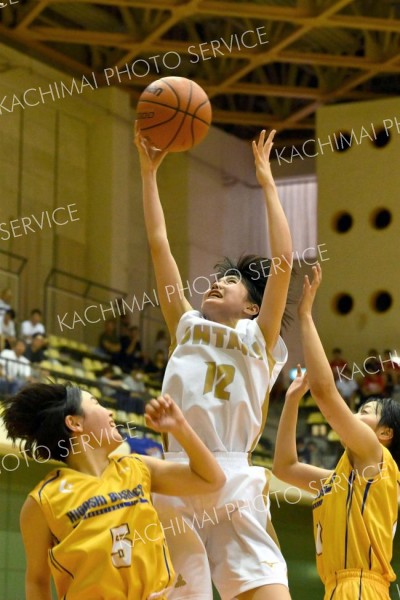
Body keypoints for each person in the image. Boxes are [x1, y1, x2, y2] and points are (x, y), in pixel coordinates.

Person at [136, 127, 292, 600]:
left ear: (251, 306)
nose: (219, 283)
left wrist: (266, 181)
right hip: (176, 476)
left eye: (232, 282)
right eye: (218, 277)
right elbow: (160, 243)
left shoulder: (259, 337)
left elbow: (283, 262)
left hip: (234, 479)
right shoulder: (183, 322)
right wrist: (148, 173)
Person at [1, 385, 225, 600]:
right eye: (96, 403)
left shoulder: (137, 467)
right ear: (75, 422)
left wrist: (180, 426)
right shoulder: (43, 500)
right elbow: (36, 580)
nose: (109, 411)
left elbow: (212, 479)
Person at [273, 264, 400, 600]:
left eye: (365, 413)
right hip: (337, 589)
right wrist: (290, 402)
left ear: (385, 433)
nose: (355, 417)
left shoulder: (376, 457)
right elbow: (284, 468)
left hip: (362, 587)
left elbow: (327, 393)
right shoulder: (341, 480)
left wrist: (305, 316)